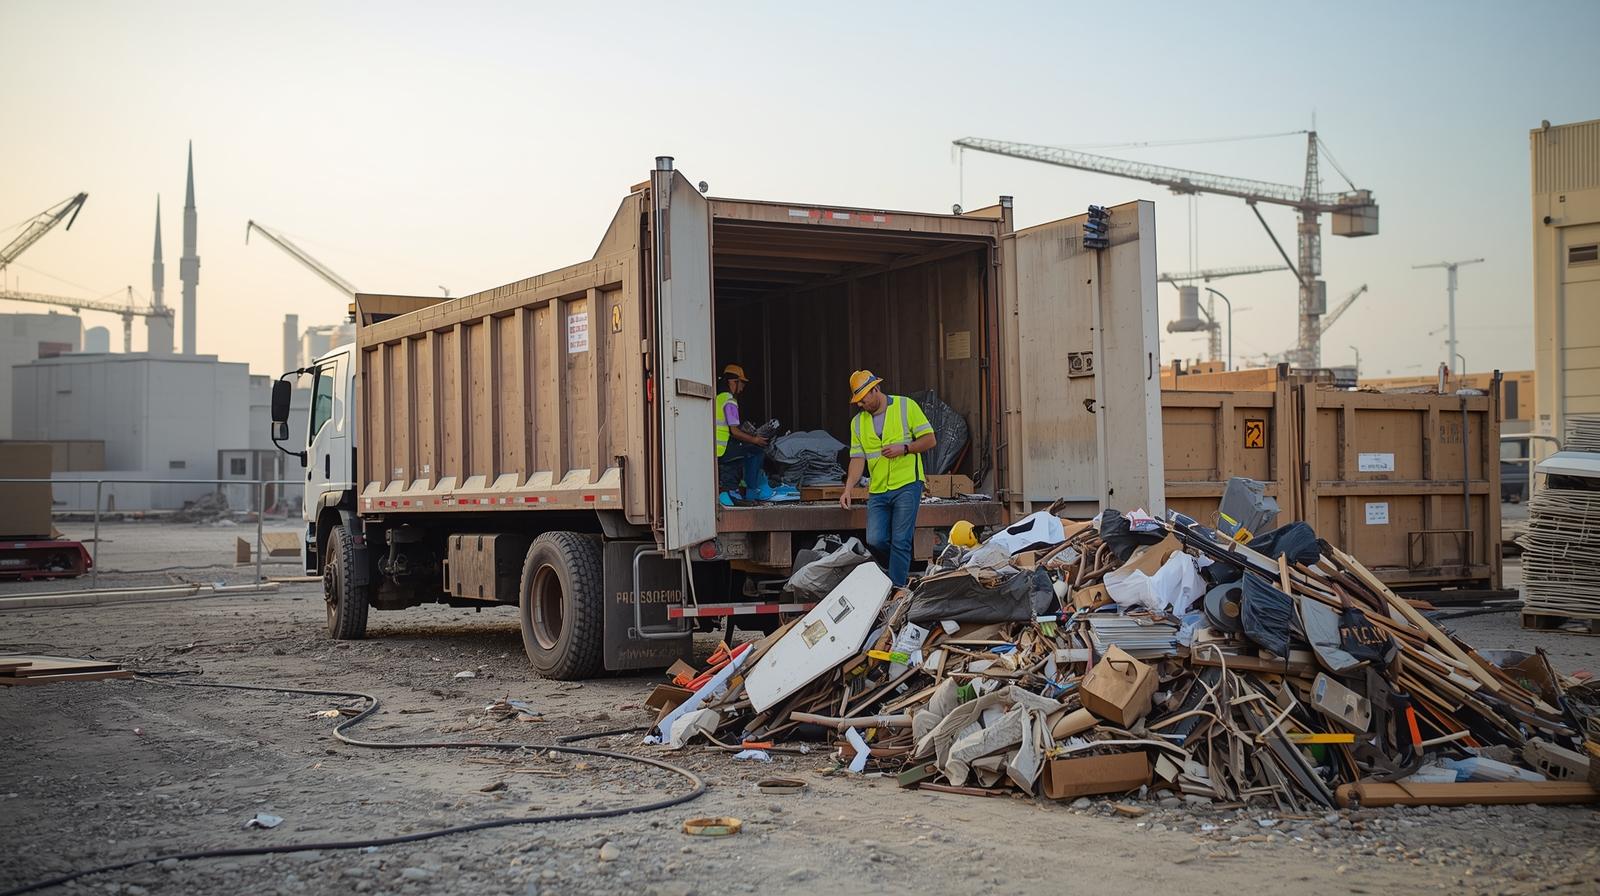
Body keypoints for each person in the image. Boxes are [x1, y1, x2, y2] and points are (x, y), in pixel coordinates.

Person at [839, 370, 936, 587]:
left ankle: (896, 589)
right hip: (879, 489)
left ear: (876, 389)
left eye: (863, 400)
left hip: (907, 484)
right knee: (876, 539)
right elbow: (857, 458)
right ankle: (897, 571)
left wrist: (905, 448)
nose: (861, 405)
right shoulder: (857, 423)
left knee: (901, 540)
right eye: (858, 401)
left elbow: (930, 440)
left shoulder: (906, 406)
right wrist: (848, 489)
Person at [714, 363, 771, 506]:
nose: (743, 387)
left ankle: (734, 491)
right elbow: (734, 431)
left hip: (716, 446)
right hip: (725, 447)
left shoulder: (717, 398)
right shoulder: (730, 401)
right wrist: (755, 439)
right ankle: (748, 492)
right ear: (733, 382)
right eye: (742, 383)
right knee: (755, 451)